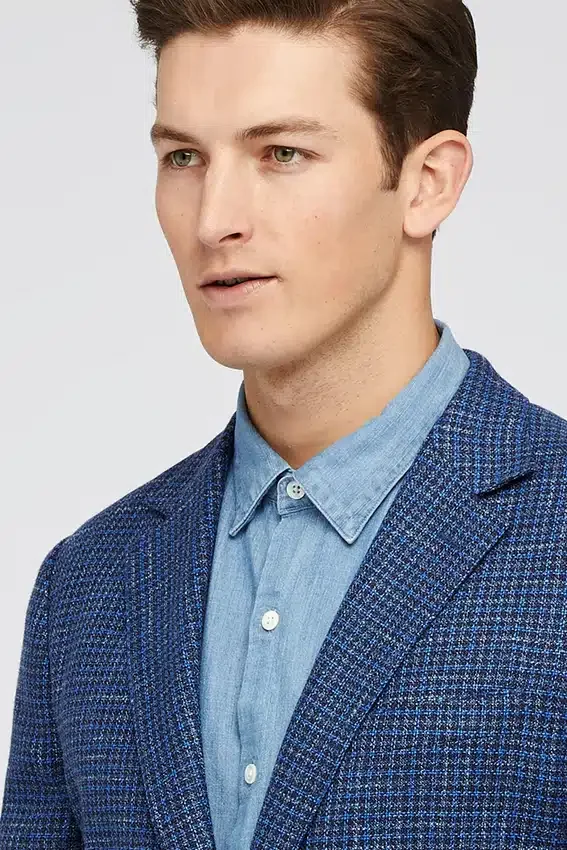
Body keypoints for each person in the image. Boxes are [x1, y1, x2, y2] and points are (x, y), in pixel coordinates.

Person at [1, 0, 566, 848]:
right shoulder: (87, 583)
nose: (212, 219)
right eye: (183, 157)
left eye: (281, 154)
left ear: (428, 182)